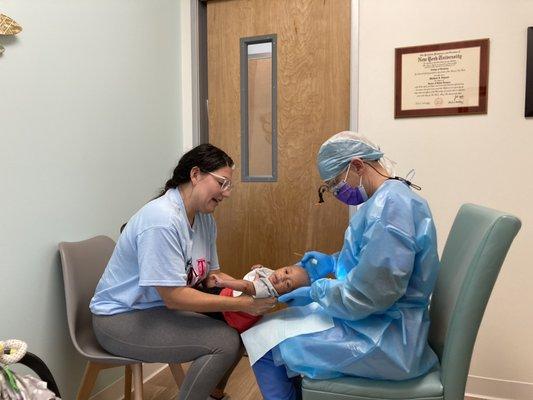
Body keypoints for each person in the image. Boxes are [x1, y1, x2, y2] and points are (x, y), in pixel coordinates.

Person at [251, 131, 441, 400]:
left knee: (265, 345)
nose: (335, 192)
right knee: (280, 327)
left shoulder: (391, 206)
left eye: (335, 183)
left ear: (357, 165)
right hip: (384, 324)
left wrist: (316, 291)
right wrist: (332, 261)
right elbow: (376, 265)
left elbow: (369, 294)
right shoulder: (388, 199)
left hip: (387, 340)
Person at [89, 143, 277, 400]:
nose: (227, 193)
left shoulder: (204, 219)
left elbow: (212, 279)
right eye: (222, 183)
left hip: (156, 311)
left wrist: (251, 285)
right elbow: (174, 296)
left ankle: (211, 395)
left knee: (238, 331)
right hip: (120, 319)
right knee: (223, 343)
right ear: (196, 174)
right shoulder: (162, 220)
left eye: (228, 186)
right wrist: (242, 305)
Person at [214, 264, 310, 333]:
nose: (282, 277)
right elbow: (267, 272)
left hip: (229, 314)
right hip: (231, 305)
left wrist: (223, 282)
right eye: (286, 271)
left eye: (287, 283)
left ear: (287, 294)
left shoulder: (267, 291)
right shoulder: (275, 277)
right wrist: (260, 268)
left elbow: (246, 286)